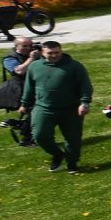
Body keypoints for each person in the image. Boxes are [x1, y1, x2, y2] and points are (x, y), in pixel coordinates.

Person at [20, 39, 95, 173]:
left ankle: (72, 164)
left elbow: (85, 86)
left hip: (71, 109)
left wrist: (84, 102)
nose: (54, 55)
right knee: (39, 135)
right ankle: (57, 154)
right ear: (42, 53)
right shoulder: (34, 66)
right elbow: (29, 87)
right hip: (43, 108)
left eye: (57, 52)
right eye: (50, 53)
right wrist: (24, 103)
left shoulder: (74, 66)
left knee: (73, 139)